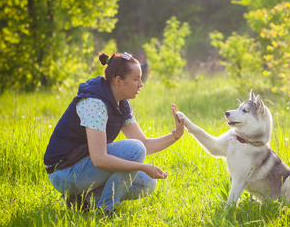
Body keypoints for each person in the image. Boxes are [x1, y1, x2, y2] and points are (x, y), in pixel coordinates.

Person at [44, 51, 185, 212]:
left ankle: (83, 201)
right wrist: (143, 166)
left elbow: (145, 144)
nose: (141, 84)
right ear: (118, 81)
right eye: (136, 79)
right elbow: (99, 159)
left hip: (84, 167)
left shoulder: (120, 101)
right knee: (135, 150)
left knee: (147, 182)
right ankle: (104, 210)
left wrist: (176, 135)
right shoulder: (94, 103)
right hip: (64, 173)